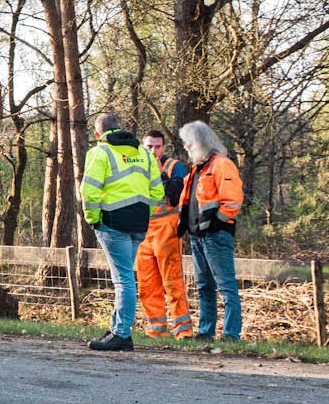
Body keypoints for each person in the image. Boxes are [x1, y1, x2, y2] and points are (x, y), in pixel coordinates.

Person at [79, 113, 163, 352]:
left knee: (123, 279)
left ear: (98, 134)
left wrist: (93, 219)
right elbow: (157, 192)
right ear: (119, 128)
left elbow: (89, 190)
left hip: (112, 222)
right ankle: (117, 328)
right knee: (125, 276)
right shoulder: (144, 154)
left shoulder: (100, 152)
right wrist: (142, 212)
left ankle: (122, 334)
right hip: (138, 223)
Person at [180, 120, 246, 340]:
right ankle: (205, 332)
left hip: (215, 235)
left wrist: (216, 223)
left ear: (199, 142)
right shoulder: (198, 169)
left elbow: (232, 201)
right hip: (198, 235)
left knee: (225, 285)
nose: (186, 147)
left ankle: (231, 334)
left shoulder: (222, 165)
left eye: (188, 143)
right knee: (204, 286)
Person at [134, 129, 191, 338]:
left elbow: (176, 194)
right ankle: (156, 330)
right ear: (142, 146)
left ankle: (183, 330)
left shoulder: (174, 167)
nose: (153, 151)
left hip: (167, 230)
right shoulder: (135, 167)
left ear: (164, 147)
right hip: (142, 231)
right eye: (149, 146)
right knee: (147, 285)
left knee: (173, 281)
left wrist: (159, 174)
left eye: (157, 147)